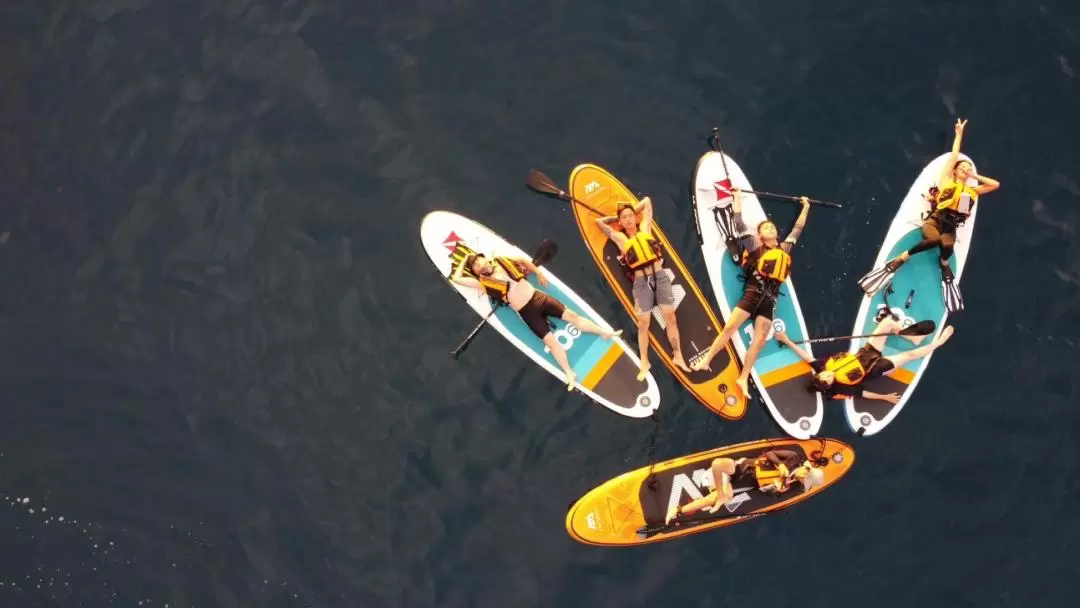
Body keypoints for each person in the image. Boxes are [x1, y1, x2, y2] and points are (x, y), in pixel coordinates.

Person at [858, 119, 1001, 312]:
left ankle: (943, 264)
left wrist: (974, 178)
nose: (966, 170)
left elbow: (995, 184)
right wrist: (958, 135)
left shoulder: (972, 191)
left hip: (951, 226)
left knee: (947, 248)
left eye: (968, 168)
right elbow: (953, 157)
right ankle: (903, 257)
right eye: (963, 168)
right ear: (955, 171)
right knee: (933, 241)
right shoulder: (946, 181)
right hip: (935, 220)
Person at [689, 188, 812, 396]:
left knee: (760, 340)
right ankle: (706, 360)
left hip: (769, 301)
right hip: (753, 293)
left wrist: (806, 207)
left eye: (772, 227)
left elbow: (797, 230)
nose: (770, 228)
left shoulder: (784, 249)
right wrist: (736, 197)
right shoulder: (755, 245)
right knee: (730, 328)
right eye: (766, 227)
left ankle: (743, 377)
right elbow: (738, 222)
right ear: (760, 235)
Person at [451, 250, 621, 391]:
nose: (480, 266)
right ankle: (569, 373)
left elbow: (524, 260)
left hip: (538, 298)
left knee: (573, 317)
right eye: (476, 267)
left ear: (486, 258)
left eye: (480, 262)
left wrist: (538, 272)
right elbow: (457, 278)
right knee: (551, 342)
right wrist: (466, 258)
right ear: (476, 272)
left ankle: (605, 333)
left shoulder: (503, 260)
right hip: (526, 312)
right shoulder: (482, 283)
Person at [595, 197, 689, 380]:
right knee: (643, 324)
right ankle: (644, 361)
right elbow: (598, 223)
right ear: (620, 222)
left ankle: (678, 356)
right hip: (641, 284)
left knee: (671, 318)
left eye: (631, 216)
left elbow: (647, 202)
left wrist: (630, 208)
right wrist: (615, 219)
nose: (629, 219)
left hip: (660, 278)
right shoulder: (620, 238)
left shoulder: (645, 228)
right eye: (625, 218)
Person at [774, 317, 955, 402]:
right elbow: (862, 393)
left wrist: (786, 340)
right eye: (829, 382)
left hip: (865, 353)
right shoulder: (840, 386)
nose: (829, 378)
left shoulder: (820, 368)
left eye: (825, 378)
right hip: (876, 367)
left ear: (819, 376)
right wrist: (885, 398)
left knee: (887, 323)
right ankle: (938, 343)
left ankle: (912, 338)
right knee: (909, 356)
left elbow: (805, 355)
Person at [665, 449, 826, 524]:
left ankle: (678, 510)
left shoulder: (792, 486)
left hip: (737, 482)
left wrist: (775, 489)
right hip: (740, 467)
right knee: (718, 464)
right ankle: (720, 494)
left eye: (806, 479)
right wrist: (779, 465)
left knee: (721, 497)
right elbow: (769, 453)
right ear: (806, 468)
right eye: (806, 474)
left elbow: (769, 495)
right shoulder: (793, 457)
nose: (804, 477)